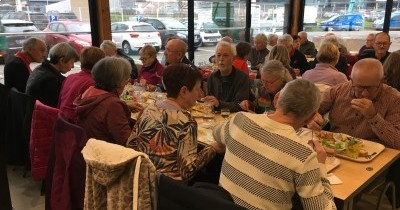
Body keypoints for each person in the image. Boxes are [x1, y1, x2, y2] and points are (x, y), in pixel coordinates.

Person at [213, 79, 336, 210]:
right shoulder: (304, 155)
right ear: (311, 117)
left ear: (277, 99)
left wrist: (231, 141)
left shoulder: (240, 119)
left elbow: (216, 132)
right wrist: (320, 165)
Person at [127, 63, 221, 182]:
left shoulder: (149, 108)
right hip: (168, 189)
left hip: (141, 180)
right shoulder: (186, 121)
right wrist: (212, 149)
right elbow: (187, 171)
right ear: (184, 91)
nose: (200, 94)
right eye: (198, 88)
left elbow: (131, 144)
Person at [74, 57, 133, 146]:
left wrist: (125, 107)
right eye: (127, 78)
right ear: (120, 82)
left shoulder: (88, 92)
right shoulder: (113, 105)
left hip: (86, 148)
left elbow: (101, 113)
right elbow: (127, 142)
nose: (127, 81)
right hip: (104, 154)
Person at [58, 46, 105, 123]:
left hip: (61, 121)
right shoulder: (92, 83)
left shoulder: (70, 77)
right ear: (100, 64)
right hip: (75, 126)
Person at [26, 42, 78, 108]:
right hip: (39, 115)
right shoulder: (52, 81)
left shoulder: (40, 69)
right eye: (71, 62)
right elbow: (53, 108)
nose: (73, 66)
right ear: (61, 60)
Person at [204, 41, 250, 112]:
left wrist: (219, 104)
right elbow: (210, 102)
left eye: (225, 55)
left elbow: (241, 106)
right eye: (218, 55)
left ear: (233, 59)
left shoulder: (242, 77)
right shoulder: (212, 76)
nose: (221, 59)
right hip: (215, 118)